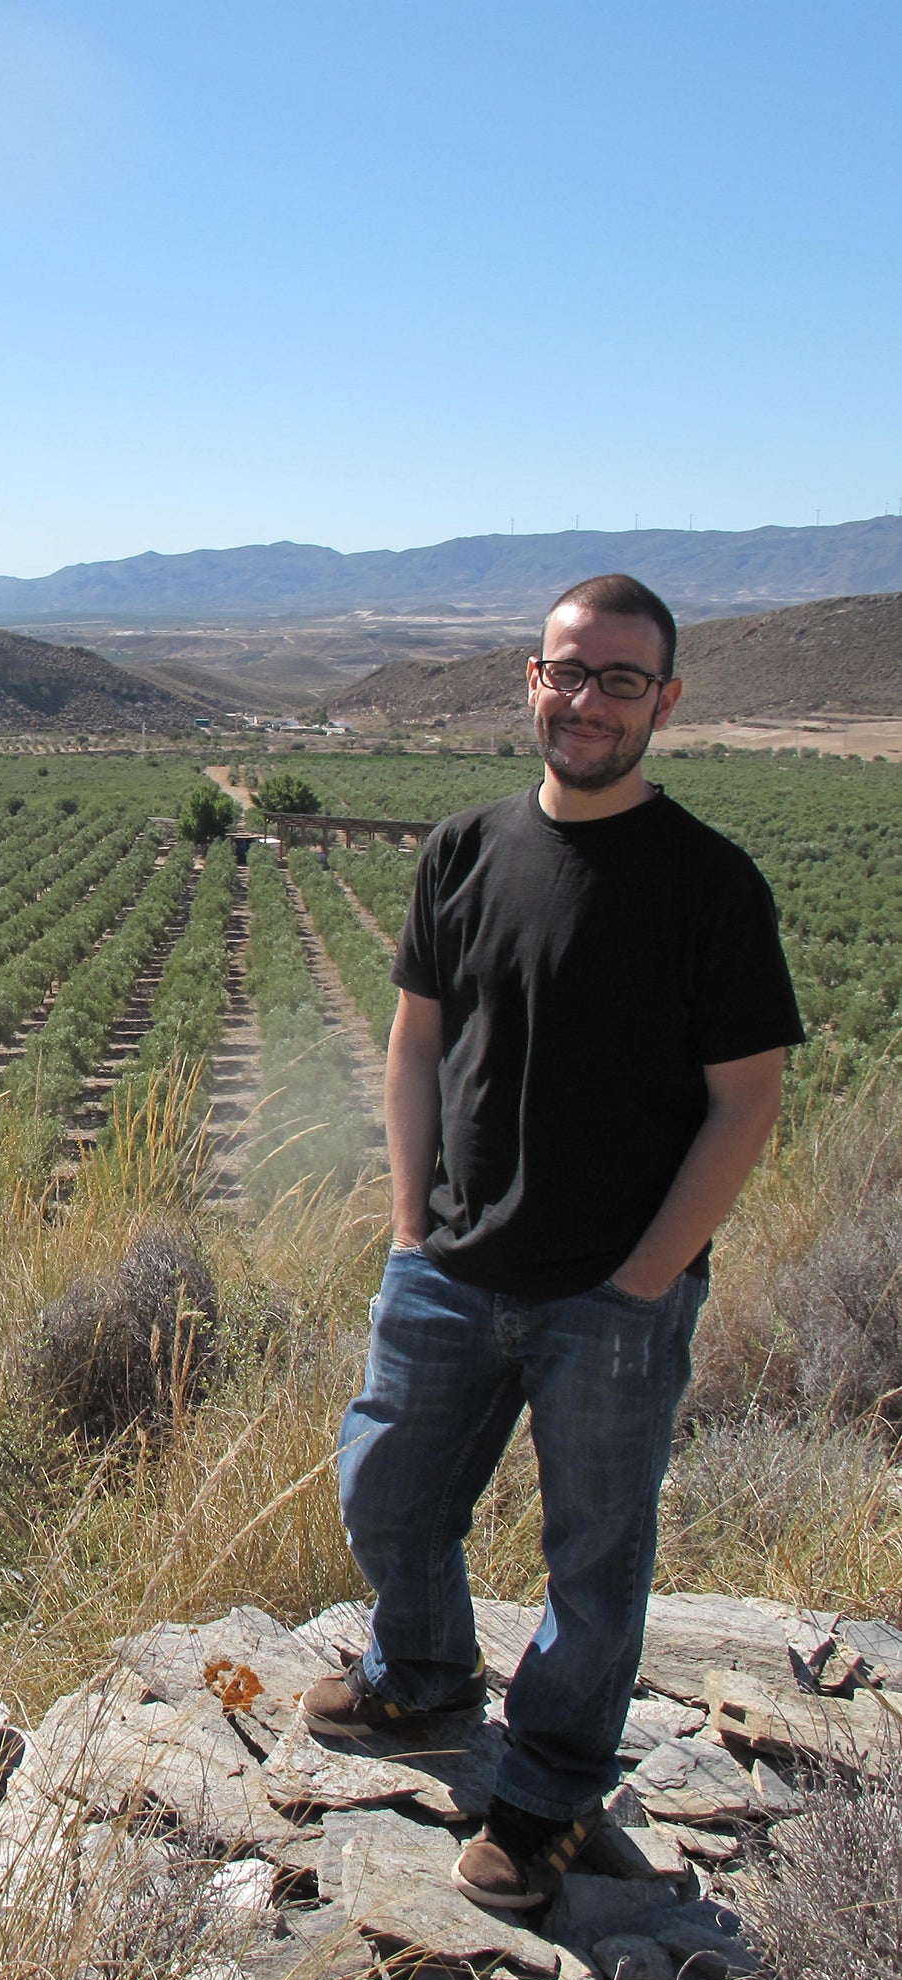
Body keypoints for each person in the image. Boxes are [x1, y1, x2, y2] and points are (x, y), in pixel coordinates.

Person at [300, 573, 804, 1912]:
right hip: (449, 1269)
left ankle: (545, 1798)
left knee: (593, 1563)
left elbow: (745, 1100)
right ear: (531, 679)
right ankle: (423, 1679)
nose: (586, 700)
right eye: (567, 672)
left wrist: (644, 1279)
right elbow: (414, 1046)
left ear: (666, 701)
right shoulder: (463, 848)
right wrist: (410, 1227)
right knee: (388, 1495)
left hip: (612, 1299)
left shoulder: (709, 885)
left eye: (619, 680)